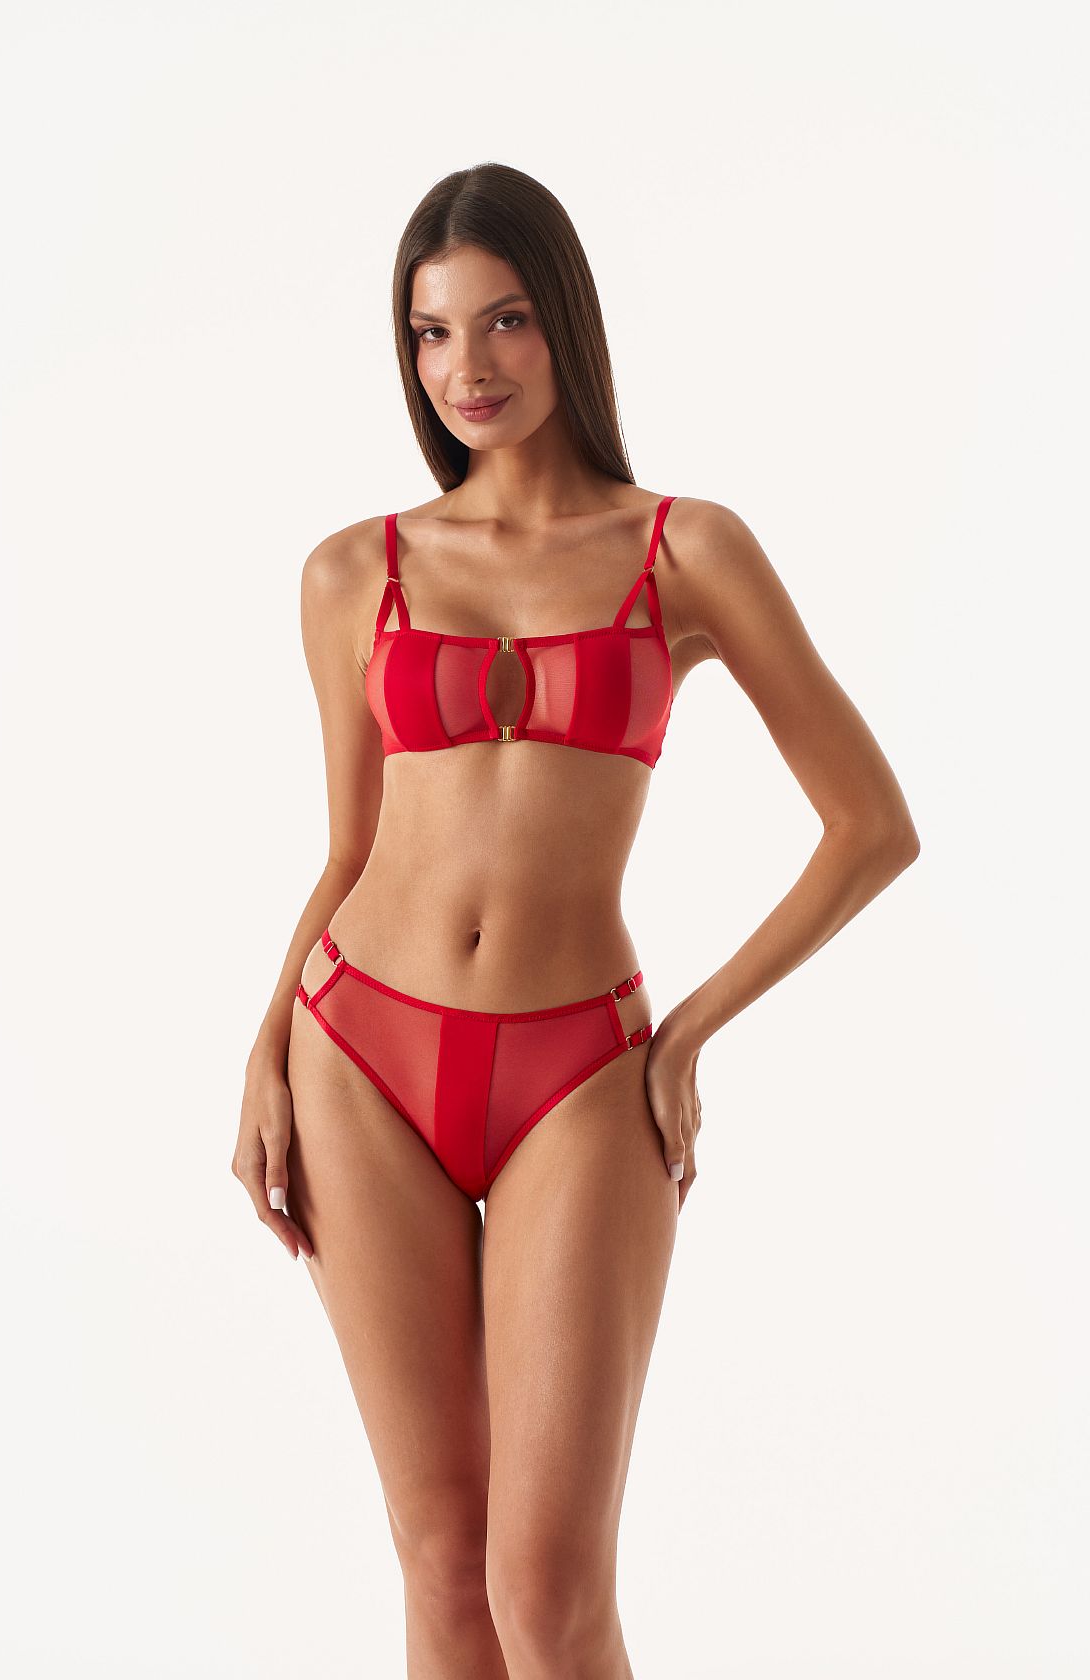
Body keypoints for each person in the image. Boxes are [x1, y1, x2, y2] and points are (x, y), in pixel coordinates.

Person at [231, 162, 920, 1679]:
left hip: (582, 1070)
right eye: (431, 332)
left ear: (566, 324)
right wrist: (266, 1053)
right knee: (441, 1566)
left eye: (505, 320)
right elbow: (349, 848)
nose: (466, 367)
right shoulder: (353, 572)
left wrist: (689, 1035)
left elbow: (873, 826)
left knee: (546, 1589)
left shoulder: (686, 549)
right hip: (359, 1051)